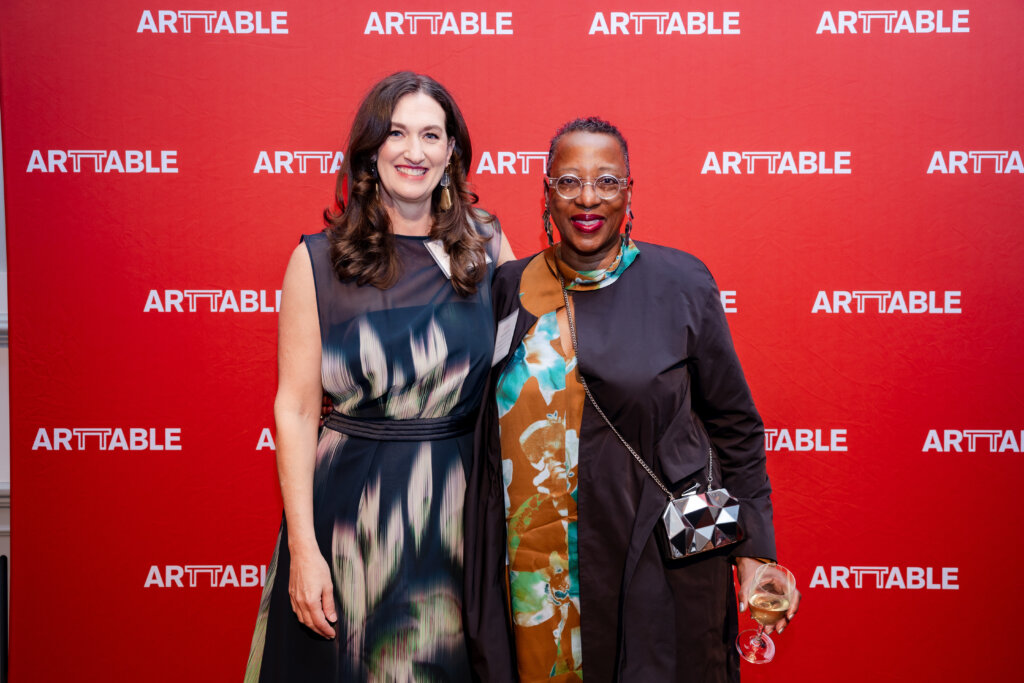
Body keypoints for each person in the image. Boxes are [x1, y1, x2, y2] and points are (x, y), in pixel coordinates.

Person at [464, 117, 799, 682]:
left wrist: (756, 552)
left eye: (607, 181)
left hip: (652, 560)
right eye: (568, 182)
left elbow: (735, 426)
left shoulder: (682, 282)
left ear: (629, 192)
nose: (587, 198)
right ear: (546, 192)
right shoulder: (509, 289)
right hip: (536, 571)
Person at [245, 71, 513, 682]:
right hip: (350, 517)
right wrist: (305, 552)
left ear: (452, 154)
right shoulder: (318, 259)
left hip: (458, 512)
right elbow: (294, 409)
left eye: (431, 135)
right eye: (396, 133)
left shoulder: (487, 247)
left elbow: (526, 371)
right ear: (370, 151)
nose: (413, 152)